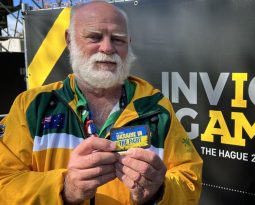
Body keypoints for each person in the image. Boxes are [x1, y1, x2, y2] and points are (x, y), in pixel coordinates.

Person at [0, 1, 203, 204]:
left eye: (118, 39)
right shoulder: (31, 106)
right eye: (94, 37)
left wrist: (159, 191)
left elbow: (190, 180)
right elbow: (4, 182)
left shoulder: (156, 107)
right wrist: (65, 188)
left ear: (129, 43)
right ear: (69, 40)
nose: (107, 48)